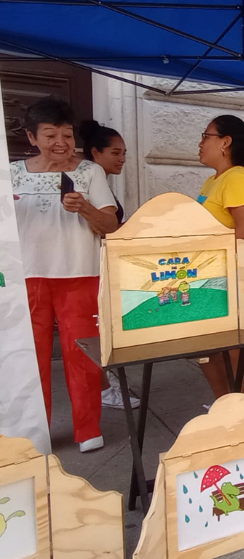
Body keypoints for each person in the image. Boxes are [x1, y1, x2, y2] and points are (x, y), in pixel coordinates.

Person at [12, 96, 119, 452]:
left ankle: (87, 428)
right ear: (31, 137)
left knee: (83, 355)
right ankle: (34, 432)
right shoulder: (11, 173)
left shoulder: (90, 172)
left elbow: (111, 226)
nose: (61, 143)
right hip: (27, 277)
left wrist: (85, 207)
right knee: (29, 358)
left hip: (80, 273)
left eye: (67, 135)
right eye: (50, 135)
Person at [196, 115, 244, 398]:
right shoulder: (213, 181)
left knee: (231, 350)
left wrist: (209, 254)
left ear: (225, 142)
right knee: (206, 349)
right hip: (204, 276)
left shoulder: (237, 178)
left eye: (205, 136)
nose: (200, 143)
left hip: (224, 276)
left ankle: (242, 411)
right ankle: (223, 407)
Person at [80, 120, 141, 411]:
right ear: (95, 152)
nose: (122, 159)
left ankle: (104, 382)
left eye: (125, 153)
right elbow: (105, 226)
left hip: (102, 264)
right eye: (115, 153)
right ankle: (103, 388)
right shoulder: (91, 178)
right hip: (89, 266)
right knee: (93, 329)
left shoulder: (99, 181)